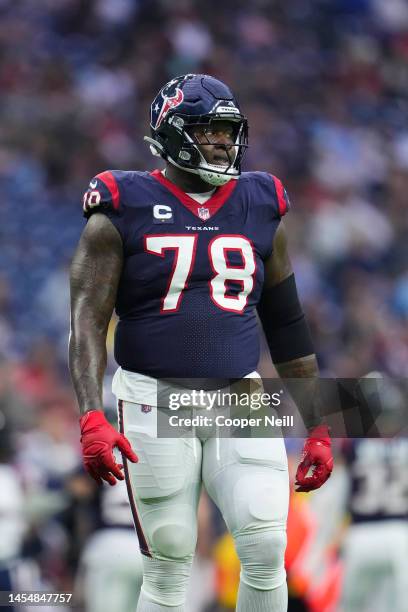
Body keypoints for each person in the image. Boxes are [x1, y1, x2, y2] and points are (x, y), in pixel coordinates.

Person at [69, 73, 333, 612]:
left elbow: (286, 324)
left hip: (239, 393)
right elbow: (87, 324)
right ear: (170, 133)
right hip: (153, 395)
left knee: (266, 545)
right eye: (209, 130)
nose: (223, 143)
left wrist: (320, 422)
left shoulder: (261, 202)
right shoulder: (122, 204)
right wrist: (92, 415)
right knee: (169, 562)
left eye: (228, 131)